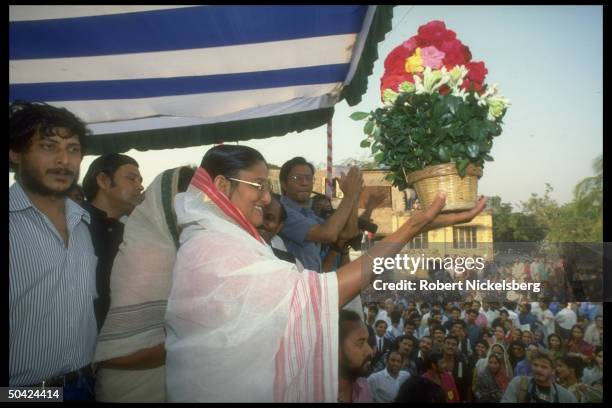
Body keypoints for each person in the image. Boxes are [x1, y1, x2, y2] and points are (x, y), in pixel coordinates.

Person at [163, 144, 485, 402]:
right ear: (221, 185)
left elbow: (338, 248)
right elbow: (322, 292)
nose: (265, 197)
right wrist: (412, 227)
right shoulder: (216, 250)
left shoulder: (223, 240)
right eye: (258, 186)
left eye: (267, 186)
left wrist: (412, 227)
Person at [9, 101, 96, 400]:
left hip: (87, 384)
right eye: (48, 146)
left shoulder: (84, 223)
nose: (64, 160)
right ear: (15, 153)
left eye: (73, 149)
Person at [93, 166, 195, 402]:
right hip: (132, 384)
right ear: (167, 201)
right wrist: (195, 342)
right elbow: (118, 352)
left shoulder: (184, 248)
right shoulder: (144, 252)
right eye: (189, 199)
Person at [82, 153, 144, 330]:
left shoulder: (128, 232)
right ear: (103, 181)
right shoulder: (74, 224)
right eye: (131, 179)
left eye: (140, 180)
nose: (140, 186)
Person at [278, 157, 360, 272]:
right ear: (284, 184)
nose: (304, 183)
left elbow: (349, 232)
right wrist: (349, 196)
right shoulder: (282, 212)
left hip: (313, 284)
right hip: (298, 286)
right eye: (297, 178)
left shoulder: (307, 213)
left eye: (309, 178)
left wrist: (354, 197)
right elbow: (328, 235)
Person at [501, 350, 577, 403]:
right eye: (535, 365)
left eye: (544, 367)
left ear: (553, 370)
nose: (538, 370)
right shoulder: (518, 384)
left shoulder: (565, 396)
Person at [257, 192, 303, 269]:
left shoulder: (290, 262)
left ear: (279, 227)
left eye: (269, 218)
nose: (260, 221)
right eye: (257, 214)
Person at [338, 310, 374, 403]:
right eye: (360, 342)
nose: (369, 351)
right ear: (335, 346)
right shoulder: (311, 394)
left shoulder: (363, 385)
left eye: (367, 341)